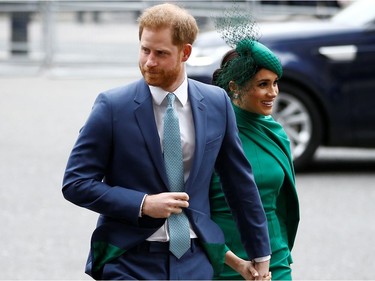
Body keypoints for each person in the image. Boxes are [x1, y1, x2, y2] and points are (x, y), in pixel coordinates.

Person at [62, 3, 271, 280]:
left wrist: (260, 255)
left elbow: (240, 184)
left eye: (161, 53)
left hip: (195, 259)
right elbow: (75, 183)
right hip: (129, 258)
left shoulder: (216, 102)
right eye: (145, 50)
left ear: (185, 52)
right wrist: (143, 203)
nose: (149, 61)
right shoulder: (112, 106)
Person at [210, 39, 300, 280]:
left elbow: (282, 204)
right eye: (263, 84)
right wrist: (232, 260)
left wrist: (283, 256)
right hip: (223, 263)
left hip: (274, 261)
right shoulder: (210, 132)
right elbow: (194, 210)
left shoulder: (275, 131)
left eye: (275, 83)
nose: (273, 93)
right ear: (234, 86)